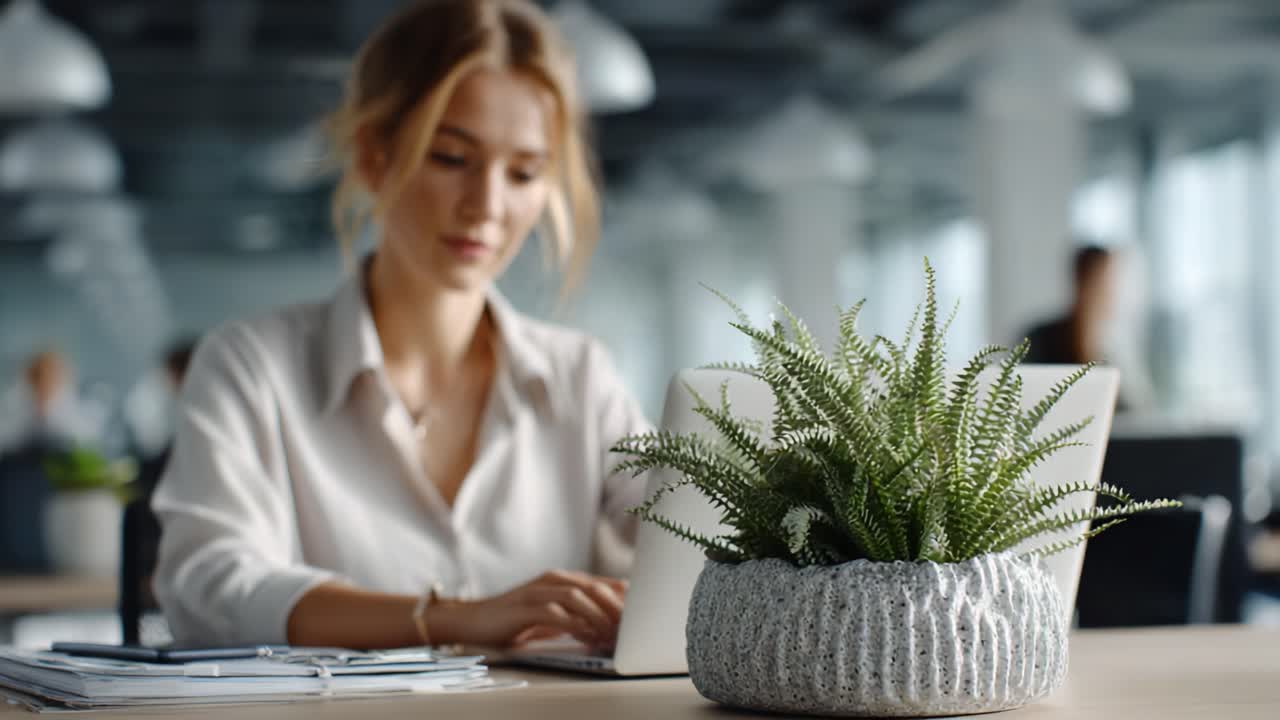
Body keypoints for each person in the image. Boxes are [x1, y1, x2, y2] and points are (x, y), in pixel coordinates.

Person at [152, 0, 651, 651]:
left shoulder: (581, 378)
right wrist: (454, 618)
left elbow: (701, 540)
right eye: (450, 157)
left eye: (525, 172)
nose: (488, 206)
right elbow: (209, 587)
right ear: (374, 155)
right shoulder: (251, 366)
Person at [1023, 245, 1116, 366]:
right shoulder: (1041, 339)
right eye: (1104, 283)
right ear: (1083, 282)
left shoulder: (1107, 347)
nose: (1111, 293)